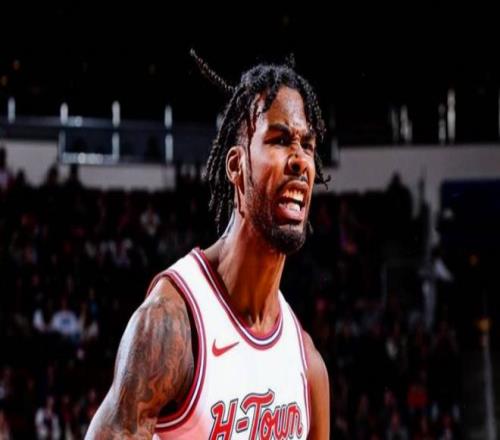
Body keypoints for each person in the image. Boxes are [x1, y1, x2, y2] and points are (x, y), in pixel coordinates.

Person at [86, 51, 330, 439]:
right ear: (236, 166)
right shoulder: (170, 324)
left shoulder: (307, 365)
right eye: (280, 140)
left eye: (308, 145)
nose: (300, 160)